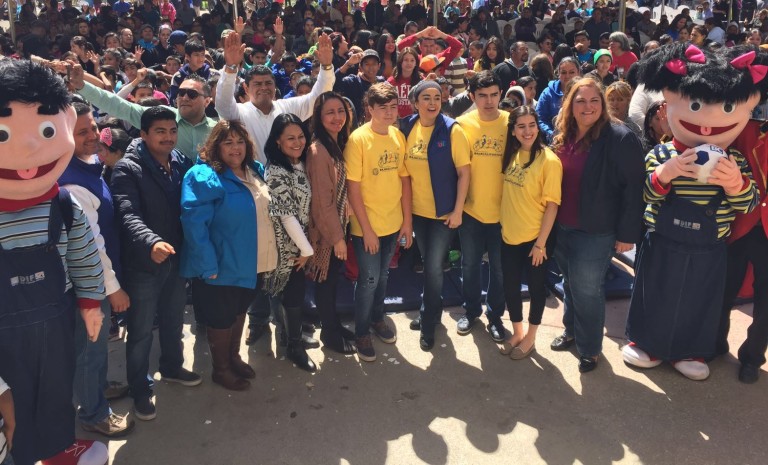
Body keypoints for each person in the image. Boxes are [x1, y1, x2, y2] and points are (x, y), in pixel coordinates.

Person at [623, 44, 760, 381]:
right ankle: (648, 343)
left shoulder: (736, 161)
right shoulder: (661, 152)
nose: (709, 121)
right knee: (655, 293)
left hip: (709, 248)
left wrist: (736, 184)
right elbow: (645, 195)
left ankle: (690, 350)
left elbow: (749, 204)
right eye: (696, 105)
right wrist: (665, 174)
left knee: (700, 302)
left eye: (727, 108)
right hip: (662, 242)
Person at [0, 59, 109, 465]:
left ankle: (58, 450)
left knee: (57, 390)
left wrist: (90, 301)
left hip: (56, 314)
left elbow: (83, 254)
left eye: (46, 132)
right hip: (4, 328)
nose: (29, 150)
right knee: (13, 398)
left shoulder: (62, 203)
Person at [549, 77, 645, 374]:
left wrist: (628, 234)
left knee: (588, 289)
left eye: (594, 100)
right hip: (562, 225)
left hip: (596, 229)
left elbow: (634, 188)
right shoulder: (564, 133)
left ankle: (589, 348)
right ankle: (571, 330)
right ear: (570, 105)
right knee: (570, 282)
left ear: (602, 104)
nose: (587, 107)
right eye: (580, 101)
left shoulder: (619, 137)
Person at [111, 107, 201, 421]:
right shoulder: (127, 169)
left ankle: (172, 366)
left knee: (174, 320)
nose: (168, 137)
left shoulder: (180, 162)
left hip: (176, 259)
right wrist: (150, 241)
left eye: (172, 131)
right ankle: (139, 387)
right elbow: (127, 213)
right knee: (139, 331)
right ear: (144, 134)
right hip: (144, 264)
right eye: (160, 131)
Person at [58, 103, 134, 438]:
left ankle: (97, 388)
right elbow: (91, 245)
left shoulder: (89, 163)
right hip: (90, 284)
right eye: (83, 132)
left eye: (93, 128)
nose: (93, 136)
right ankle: (92, 413)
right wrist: (112, 287)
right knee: (90, 347)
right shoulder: (72, 183)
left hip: (98, 278)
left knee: (97, 345)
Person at [180, 120, 262, 391]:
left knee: (239, 311)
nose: (235, 148)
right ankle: (221, 369)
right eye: (228, 142)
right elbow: (194, 224)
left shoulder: (254, 171)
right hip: (220, 265)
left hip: (250, 262)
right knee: (220, 317)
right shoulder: (204, 176)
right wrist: (207, 265)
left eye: (240, 141)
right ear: (215, 146)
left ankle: (234, 357)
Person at [400, 80, 471, 349]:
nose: (432, 103)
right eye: (426, 98)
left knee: (432, 267)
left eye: (437, 98)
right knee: (428, 266)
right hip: (417, 211)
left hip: (443, 214)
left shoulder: (453, 130)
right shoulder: (407, 127)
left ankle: (428, 322)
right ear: (415, 102)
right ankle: (430, 309)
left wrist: (458, 210)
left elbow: (465, 173)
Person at [344, 83, 412, 361]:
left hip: (393, 223)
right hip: (366, 227)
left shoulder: (398, 136)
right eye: (382, 108)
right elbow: (353, 189)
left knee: (383, 276)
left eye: (393, 107)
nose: (389, 113)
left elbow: (405, 180)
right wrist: (366, 230)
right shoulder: (358, 140)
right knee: (368, 279)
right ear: (369, 109)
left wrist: (407, 222)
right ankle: (361, 331)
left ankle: (377, 317)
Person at [498, 106, 562, 360]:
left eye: (532, 125)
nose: (527, 131)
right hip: (509, 235)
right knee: (510, 287)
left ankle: (532, 337)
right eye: (521, 126)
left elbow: (552, 206)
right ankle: (517, 331)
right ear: (513, 131)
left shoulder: (549, 161)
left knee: (536, 289)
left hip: (536, 240)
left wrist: (541, 244)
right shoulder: (512, 155)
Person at [217, 30, 335, 163]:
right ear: (246, 88)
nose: (264, 87)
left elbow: (317, 99)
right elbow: (223, 104)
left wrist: (326, 67)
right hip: (253, 181)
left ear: (275, 85)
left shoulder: (287, 108)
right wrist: (231, 68)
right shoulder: (239, 113)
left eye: (268, 83)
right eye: (257, 84)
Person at [452, 72, 509, 345]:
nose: (489, 101)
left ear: (501, 94)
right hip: (471, 211)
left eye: (494, 95)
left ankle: (496, 316)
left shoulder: (512, 123)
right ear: (472, 96)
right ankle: (471, 310)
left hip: (504, 212)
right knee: (470, 264)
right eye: (482, 96)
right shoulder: (461, 124)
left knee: (499, 269)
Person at [262, 113, 317, 372]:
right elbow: (286, 215)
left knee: (291, 294)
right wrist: (306, 250)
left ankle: (288, 336)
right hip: (288, 247)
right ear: (277, 142)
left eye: (301, 136)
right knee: (291, 295)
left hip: (303, 241)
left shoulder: (301, 163)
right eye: (290, 138)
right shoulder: (275, 170)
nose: (297, 142)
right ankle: (294, 347)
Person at [71, 66, 217, 161]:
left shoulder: (217, 130)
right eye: (181, 93)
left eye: (191, 94)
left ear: (207, 101)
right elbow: (117, 105)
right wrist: (81, 86)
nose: (184, 98)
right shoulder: (158, 116)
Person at [306, 92, 357, 354]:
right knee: (325, 283)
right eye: (330, 112)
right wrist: (337, 239)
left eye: (341, 111)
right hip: (326, 231)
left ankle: (334, 325)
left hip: (338, 224)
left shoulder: (336, 142)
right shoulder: (318, 150)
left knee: (332, 282)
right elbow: (322, 203)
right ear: (319, 116)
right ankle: (329, 334)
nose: (337, 117)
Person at [718, 118, 768, 384]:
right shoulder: (747, 128)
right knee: (723, 290)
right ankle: (714, 344)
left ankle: (752, 357)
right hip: (742, 220)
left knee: (766, 305)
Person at [536, 57, 581, 142]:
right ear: (558, 74)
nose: (567, 76)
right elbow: (540, 118)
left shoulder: (584, 91)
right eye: (563, 72)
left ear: (578, 73)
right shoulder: (548, 92)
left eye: (571, 72)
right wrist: (552, 134)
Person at [388, 47, 422, 118]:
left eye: (412, 60)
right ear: (400, 62)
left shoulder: (421, 81)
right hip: (396, 120)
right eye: (406, 60)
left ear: (416, 63)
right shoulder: (391, 81)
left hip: (416, 119)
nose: (409, 63)